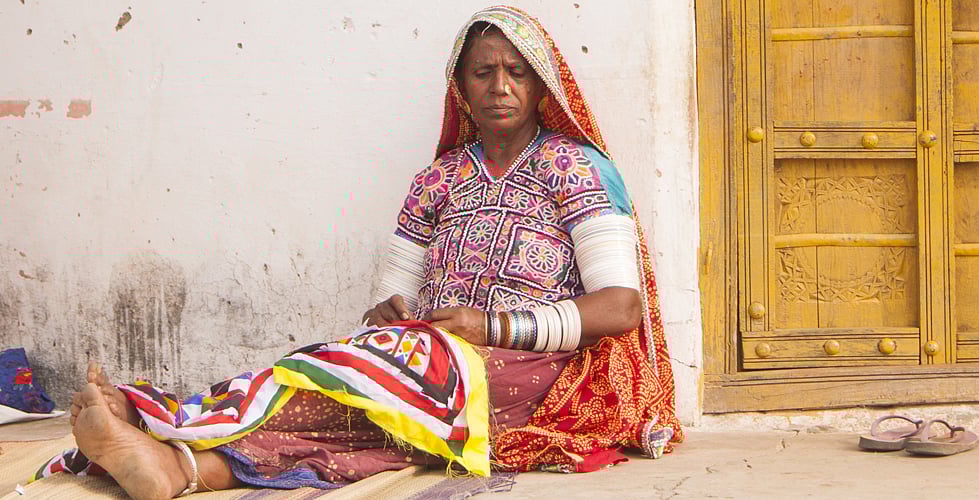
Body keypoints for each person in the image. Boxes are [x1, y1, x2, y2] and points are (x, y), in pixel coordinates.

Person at [39, 6, 682, 498]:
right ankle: (176, 459)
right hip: (434, 356)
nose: (501, 86)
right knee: (333, 375)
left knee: (372, 385)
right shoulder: (438, 179)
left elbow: (620, 307)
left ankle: (164, 427)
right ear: (460, 86)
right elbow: (393, 296)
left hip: (544, 370)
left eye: (517, 72)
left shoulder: (578, 169)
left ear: (543, 85)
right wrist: (390, 318)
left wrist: (486, 327)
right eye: (483, 72)